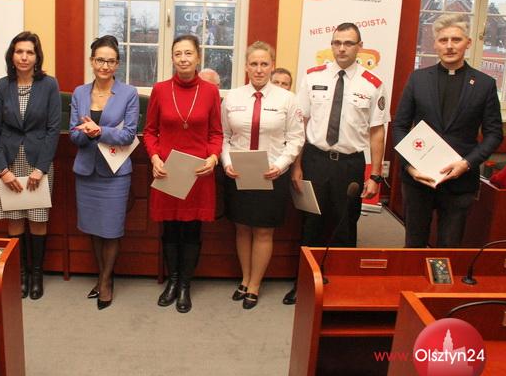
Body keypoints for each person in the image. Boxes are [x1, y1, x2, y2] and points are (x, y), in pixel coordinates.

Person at [286, 22, 389, 304]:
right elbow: (300, 123)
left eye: (348, 43)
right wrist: (297, 166)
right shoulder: (312, 76)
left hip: (349, 165)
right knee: (311, 224)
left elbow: (377, 131)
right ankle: (304, 285)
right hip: (315, 160)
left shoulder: (373, 84)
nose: (341, 48)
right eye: (337, 43)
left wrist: (376, 175)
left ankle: (343, 286)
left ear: (359, 47)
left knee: (345, 225)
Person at [392, 14, 503, 248]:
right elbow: (400, 126)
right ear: (435, 44)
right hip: (418, 180)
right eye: (443, 40)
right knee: (413, 246)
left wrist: (467, 163)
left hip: (460, 182)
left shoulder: (484, 84)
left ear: (468, 43)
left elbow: (494, 134)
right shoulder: (418, 79)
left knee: (449, 248)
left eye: (456, 40)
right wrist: (410, 167)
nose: (449, 46)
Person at [221, 41, 304, 309]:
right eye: (254, 64)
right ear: (246, 66)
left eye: (264, 64)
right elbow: (223, 136)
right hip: (239, 172)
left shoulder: (287, 99)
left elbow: (296, 138)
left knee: (264, 231)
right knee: (242, 227)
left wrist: (281, 165)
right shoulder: (232, 97)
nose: (259, 69)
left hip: (272, 173)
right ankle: (245, 279)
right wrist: (226, 162)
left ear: (272, 66)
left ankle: (255, 284)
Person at [143, 34, 223, 313]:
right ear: (172, 58)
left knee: (191, 230)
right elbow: (150, 131)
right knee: (170, 229)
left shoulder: (210, 91)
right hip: (167, 171)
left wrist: (213, 157)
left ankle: (185, 285)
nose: (183, 59)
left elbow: (216, 133)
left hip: (199, 173)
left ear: (198, 57)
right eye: (178, 54)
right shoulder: (160, 89)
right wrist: (154, 157)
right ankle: (172, 281)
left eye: (188, 53)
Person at [0, 31, 61, 300]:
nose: (24, 57)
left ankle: (37, 275)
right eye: (19, 52)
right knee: (15, 219)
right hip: (8, 163)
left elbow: (53, 129)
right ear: (12, 55)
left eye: (30, 52)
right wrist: (2, 170)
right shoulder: (2, 86)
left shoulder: (49, 85)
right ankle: (20, 275)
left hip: (38, 163)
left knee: (38, 220)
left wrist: (41, 168)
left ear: (37, 57)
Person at [70, 35, 139, 310]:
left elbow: (129, 134)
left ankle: (106, 281)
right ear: (91, 61)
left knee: (111, 230)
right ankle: (101, 276)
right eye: (100, 60)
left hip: (115, 173)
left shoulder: (128, 93)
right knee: (94, 229)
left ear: (117, 64)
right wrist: (85, 134)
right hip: (86, 170)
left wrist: (99, 131)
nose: (105, 66)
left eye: (111, 61)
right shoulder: (79, 93)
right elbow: (74, 135)